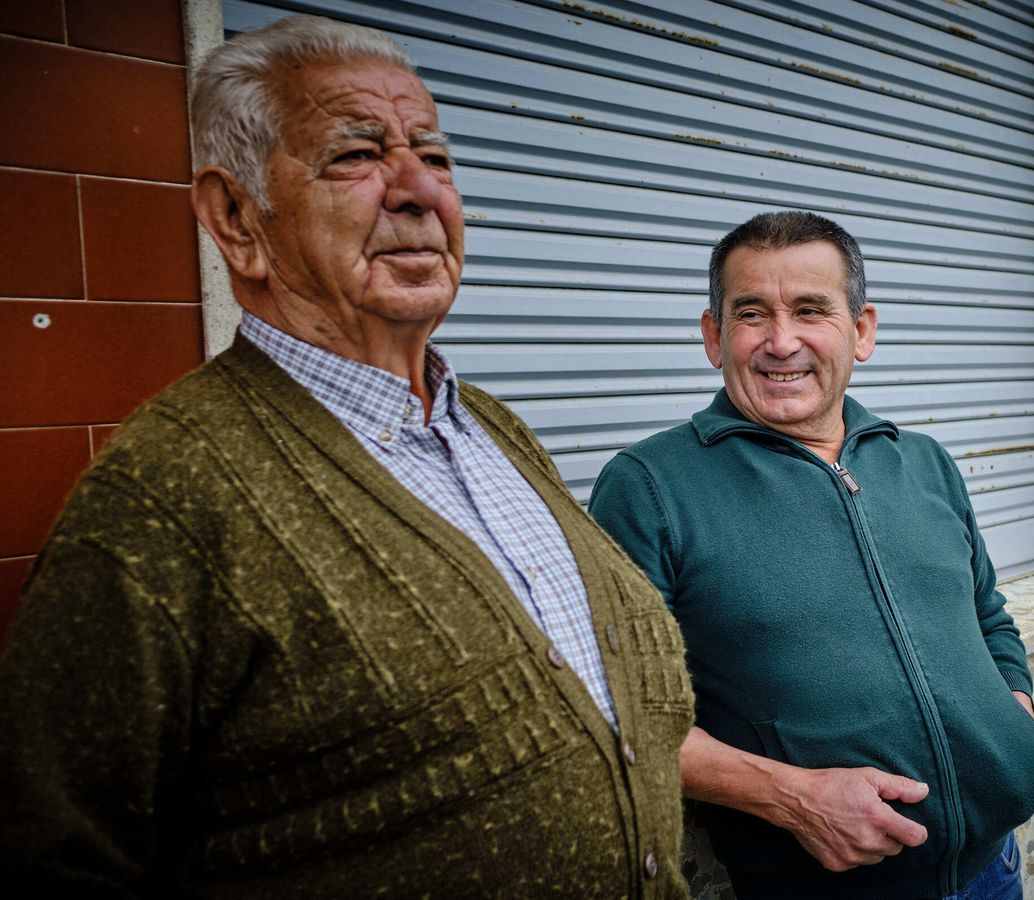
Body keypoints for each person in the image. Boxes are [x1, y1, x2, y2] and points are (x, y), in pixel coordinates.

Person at [0, 16, 692, 897]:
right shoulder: (162, 495)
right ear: (237, 217)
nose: (418, 193)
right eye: (356, 156)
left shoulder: (492, 427)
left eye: (436, 159)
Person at [588, 211, 1034, 899]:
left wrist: (1011, 712)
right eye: (752, 314)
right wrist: (791, 797)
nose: (783, 342)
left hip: (993, 868)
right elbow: (619, 707)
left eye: (811, 310)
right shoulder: (651, 487)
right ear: (715, 336)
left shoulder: (923, 461)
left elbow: (988, 615)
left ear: (861, 330)